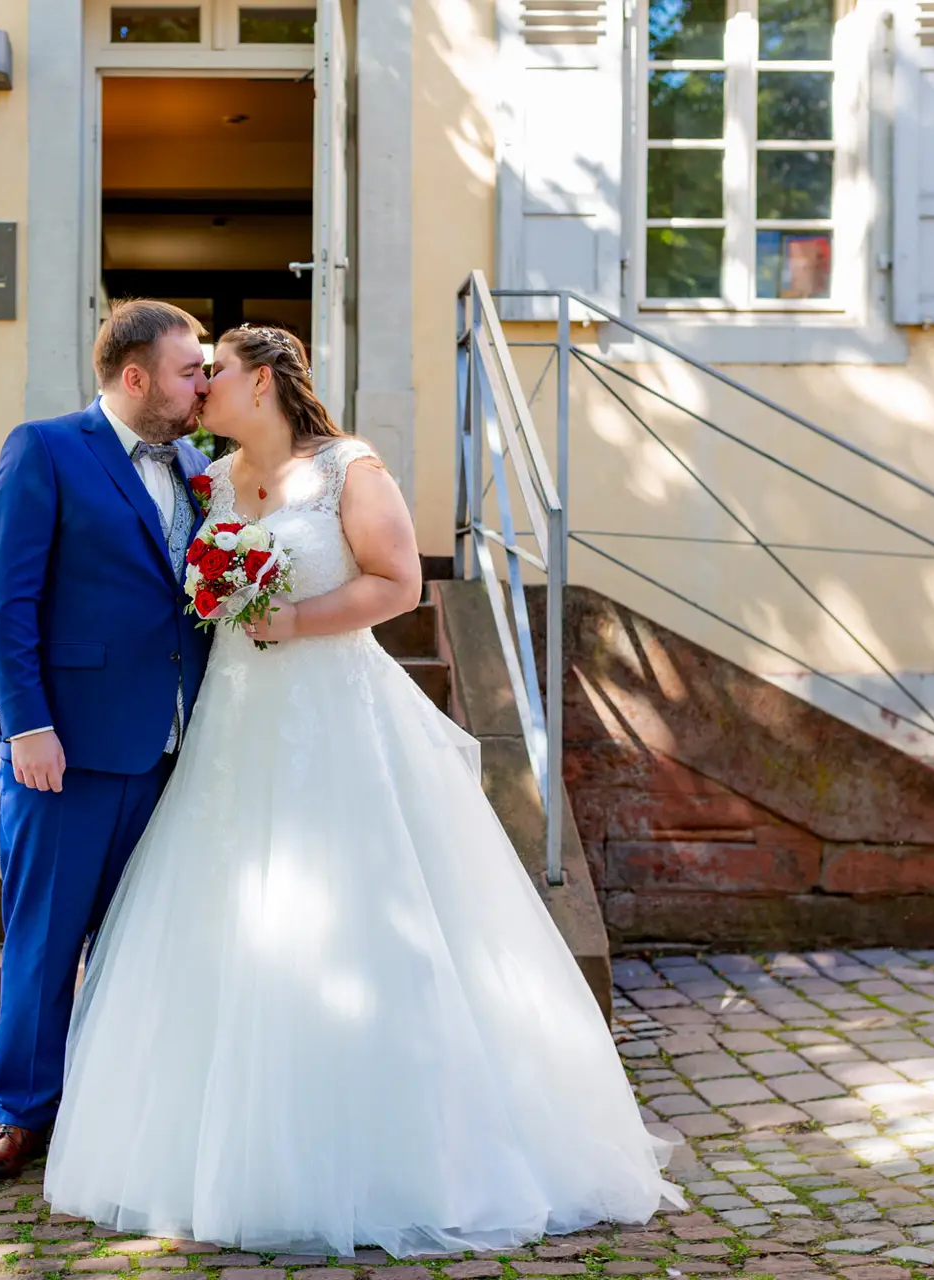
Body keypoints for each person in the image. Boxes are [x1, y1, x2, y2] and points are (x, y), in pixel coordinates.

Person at [41, 325, 684, 1255]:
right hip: (233, 722)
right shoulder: (207, 481)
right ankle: (221, 1158)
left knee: (363, 910)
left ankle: (400, 1155)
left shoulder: (348, 468)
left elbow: (400, 584)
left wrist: (294, 618)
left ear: (262, 383)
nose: (202, 386)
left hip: (333, 713)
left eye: (216, 372)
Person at [0, 300, 213, 1182]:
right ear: (136, 376)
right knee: (45, 940)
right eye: (190, 371)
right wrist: (27, 725)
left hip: (177, 746)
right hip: (66, 751)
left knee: (145, 941)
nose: (204, 384)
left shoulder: (200, 467)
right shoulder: (44, 449)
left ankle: (123, 1116)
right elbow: (6, 601)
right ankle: (22, 1114)